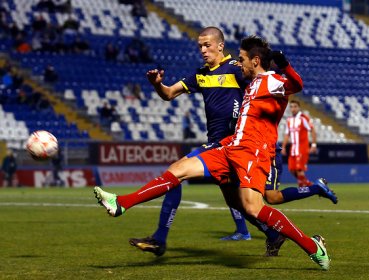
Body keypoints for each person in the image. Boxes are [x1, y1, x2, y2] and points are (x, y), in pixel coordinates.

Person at [94, 35, 331, 270]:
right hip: (230, 146)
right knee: (178, 170)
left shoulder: (271, 81)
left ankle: (312, 246)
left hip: (253, 152)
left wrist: (285, 64)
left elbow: (297, 85)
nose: (240, 63)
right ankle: (121, 203)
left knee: (253, 207)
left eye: (243, 59)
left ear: (255, 61)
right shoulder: (248, 79)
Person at [127, 27, 252, 258]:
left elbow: (265, 81)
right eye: (200, 46)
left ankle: (158, 238)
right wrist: (157, 84)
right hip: (216, 145)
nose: (203, 50)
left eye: (207, 45)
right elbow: (169, 94)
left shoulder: (237, 69)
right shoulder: (200, 75)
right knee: (243, 205)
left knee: (175, 173)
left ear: (220, 45)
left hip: (233, 145)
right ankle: (275, 236)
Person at [281, 100, 317, 187]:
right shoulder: (289, 120)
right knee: (292, 169)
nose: (293, 109)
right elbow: (287, 134)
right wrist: (283, 146)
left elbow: (312, 130)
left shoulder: (303, 118)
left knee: (299, 169)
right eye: (291, 107)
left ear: (299, 107)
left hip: (302, 147)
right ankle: (309, 185)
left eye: (295, 106)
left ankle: (302, 187)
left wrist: (314, 144)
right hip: (293, 149)